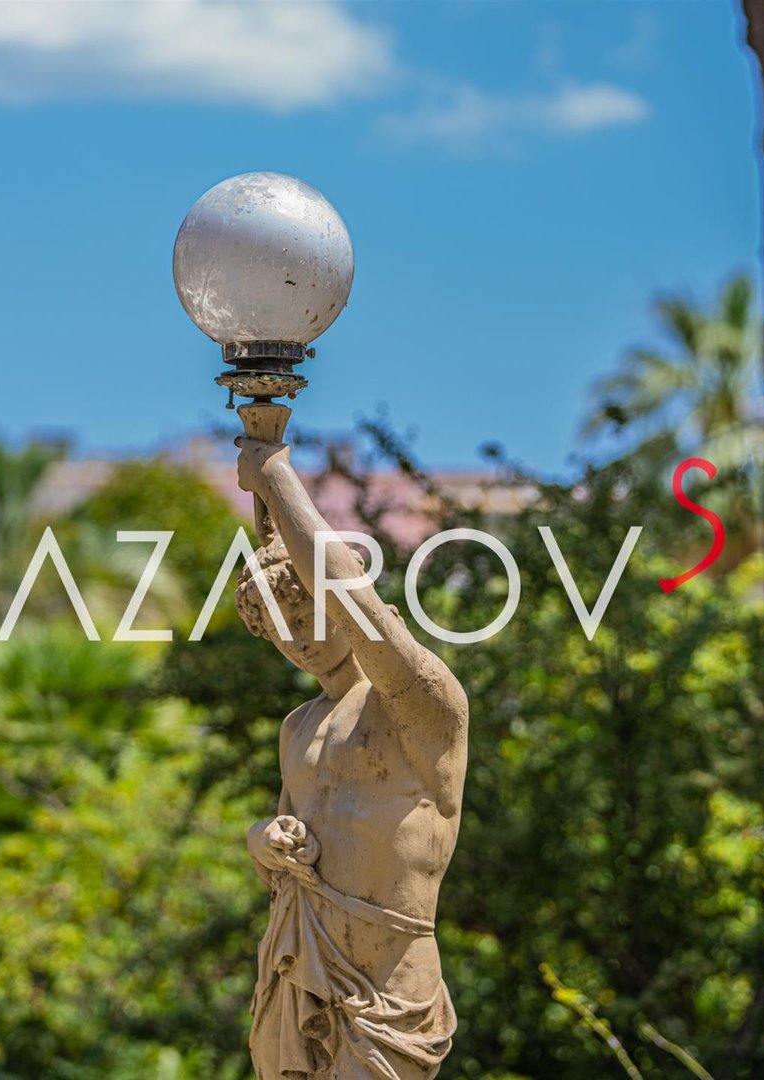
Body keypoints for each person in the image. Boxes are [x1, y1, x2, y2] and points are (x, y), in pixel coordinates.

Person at [235, 433, 469, 1080]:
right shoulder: (298, 726)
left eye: (306, 611)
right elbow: (288, 848)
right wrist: (262, 840)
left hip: (387, 990)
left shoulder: (420, 701)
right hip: (299, 969)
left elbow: (351, 598)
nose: (297, 638)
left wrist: (275, 478)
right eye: (278, 627)